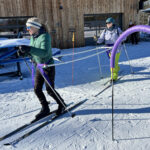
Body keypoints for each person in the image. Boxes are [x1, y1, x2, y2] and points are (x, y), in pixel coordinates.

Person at [18, 17, 66, 120]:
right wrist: (24, 52)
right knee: (37, 89)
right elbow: (33, 52)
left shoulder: (45, 36)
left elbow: (44, 52)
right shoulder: (33, 37)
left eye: (29, 27)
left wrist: (29, 49)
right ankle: (45, 108)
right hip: (38, 67)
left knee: (50, 90)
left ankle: (62, 105)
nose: (27, 29)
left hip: (48, 67)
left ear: (36, 27)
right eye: (27, 27)